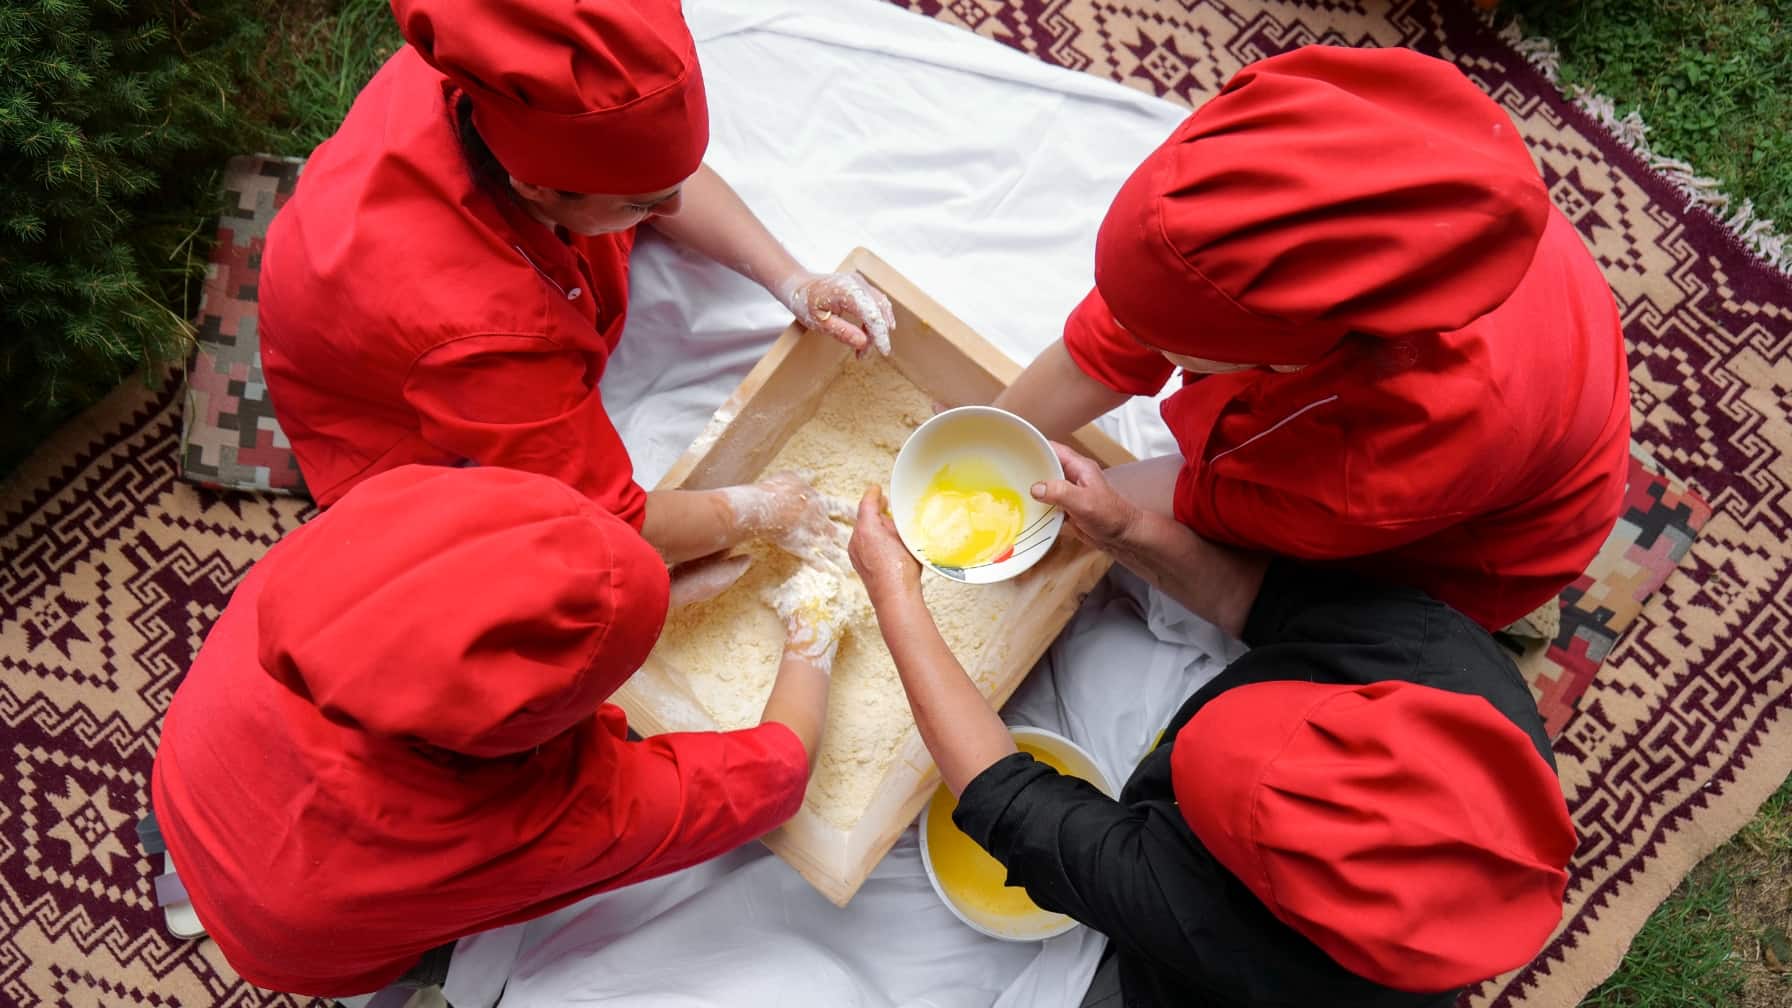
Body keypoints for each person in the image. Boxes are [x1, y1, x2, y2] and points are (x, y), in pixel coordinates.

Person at [846, 477, 1577, 1006]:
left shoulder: (1235, 938)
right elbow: (1252, 597)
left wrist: (896, 597)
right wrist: (1126, 527)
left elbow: (1008, 802)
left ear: (1252, 883)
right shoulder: (1432, 662)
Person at [993, 45, 1630, 631]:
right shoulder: (1313, 184)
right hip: (1538, 348)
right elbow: (1148, 297)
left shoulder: (1371, 464)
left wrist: (1036, 513)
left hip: (1487, 536)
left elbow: (1205, 495)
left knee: (1316, 613)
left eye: (1167, 343)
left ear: (1279, 355)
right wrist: (993, 430)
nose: (1136, 334)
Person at [149, 465, 843, 999]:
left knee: (253, 860)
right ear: (522, 735)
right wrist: (816, 622)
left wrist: (654, 579)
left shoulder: (352, 549)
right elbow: (773, 774)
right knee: (423, 945)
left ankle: (190, 873)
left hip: (192, 775)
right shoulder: (538, 822)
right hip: (296, 944)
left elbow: (517, 544)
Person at [257, 0, 891, 573]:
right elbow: (612, 520)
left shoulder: (513, 74)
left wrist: (793, 281)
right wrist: (761, 509)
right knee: (530, 559)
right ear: (539, 187)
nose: (672, 209)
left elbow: (654, 164)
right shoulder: (478, 333)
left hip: (410, 252)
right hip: (374, 380)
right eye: (642, 205)